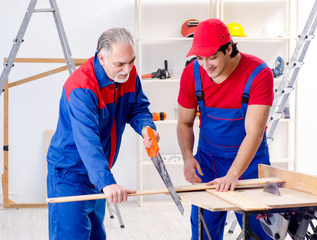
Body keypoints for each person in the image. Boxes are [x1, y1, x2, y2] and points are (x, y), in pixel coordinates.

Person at [47, 27, 159, 240]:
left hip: (96, 174)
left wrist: (146, 126)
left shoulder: (128, 75)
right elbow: (87, 141)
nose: (127, 70)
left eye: (131, 61)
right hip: (70, 174)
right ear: (102, 58)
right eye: (120, 64)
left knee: (96, 236)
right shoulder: (81, 87)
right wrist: (106, 182)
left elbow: (137, 107)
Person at [177, 18, 274, 239]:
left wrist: (233, 174)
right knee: (203, 233)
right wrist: (187, 157)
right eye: (200, 58)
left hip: (249, 166)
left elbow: (255, 133)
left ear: (229, 48)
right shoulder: (192, 74)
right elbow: (184, 123)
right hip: (208, 164)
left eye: (212, 57)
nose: (206, 65)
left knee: (258, 234)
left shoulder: (258, 74)